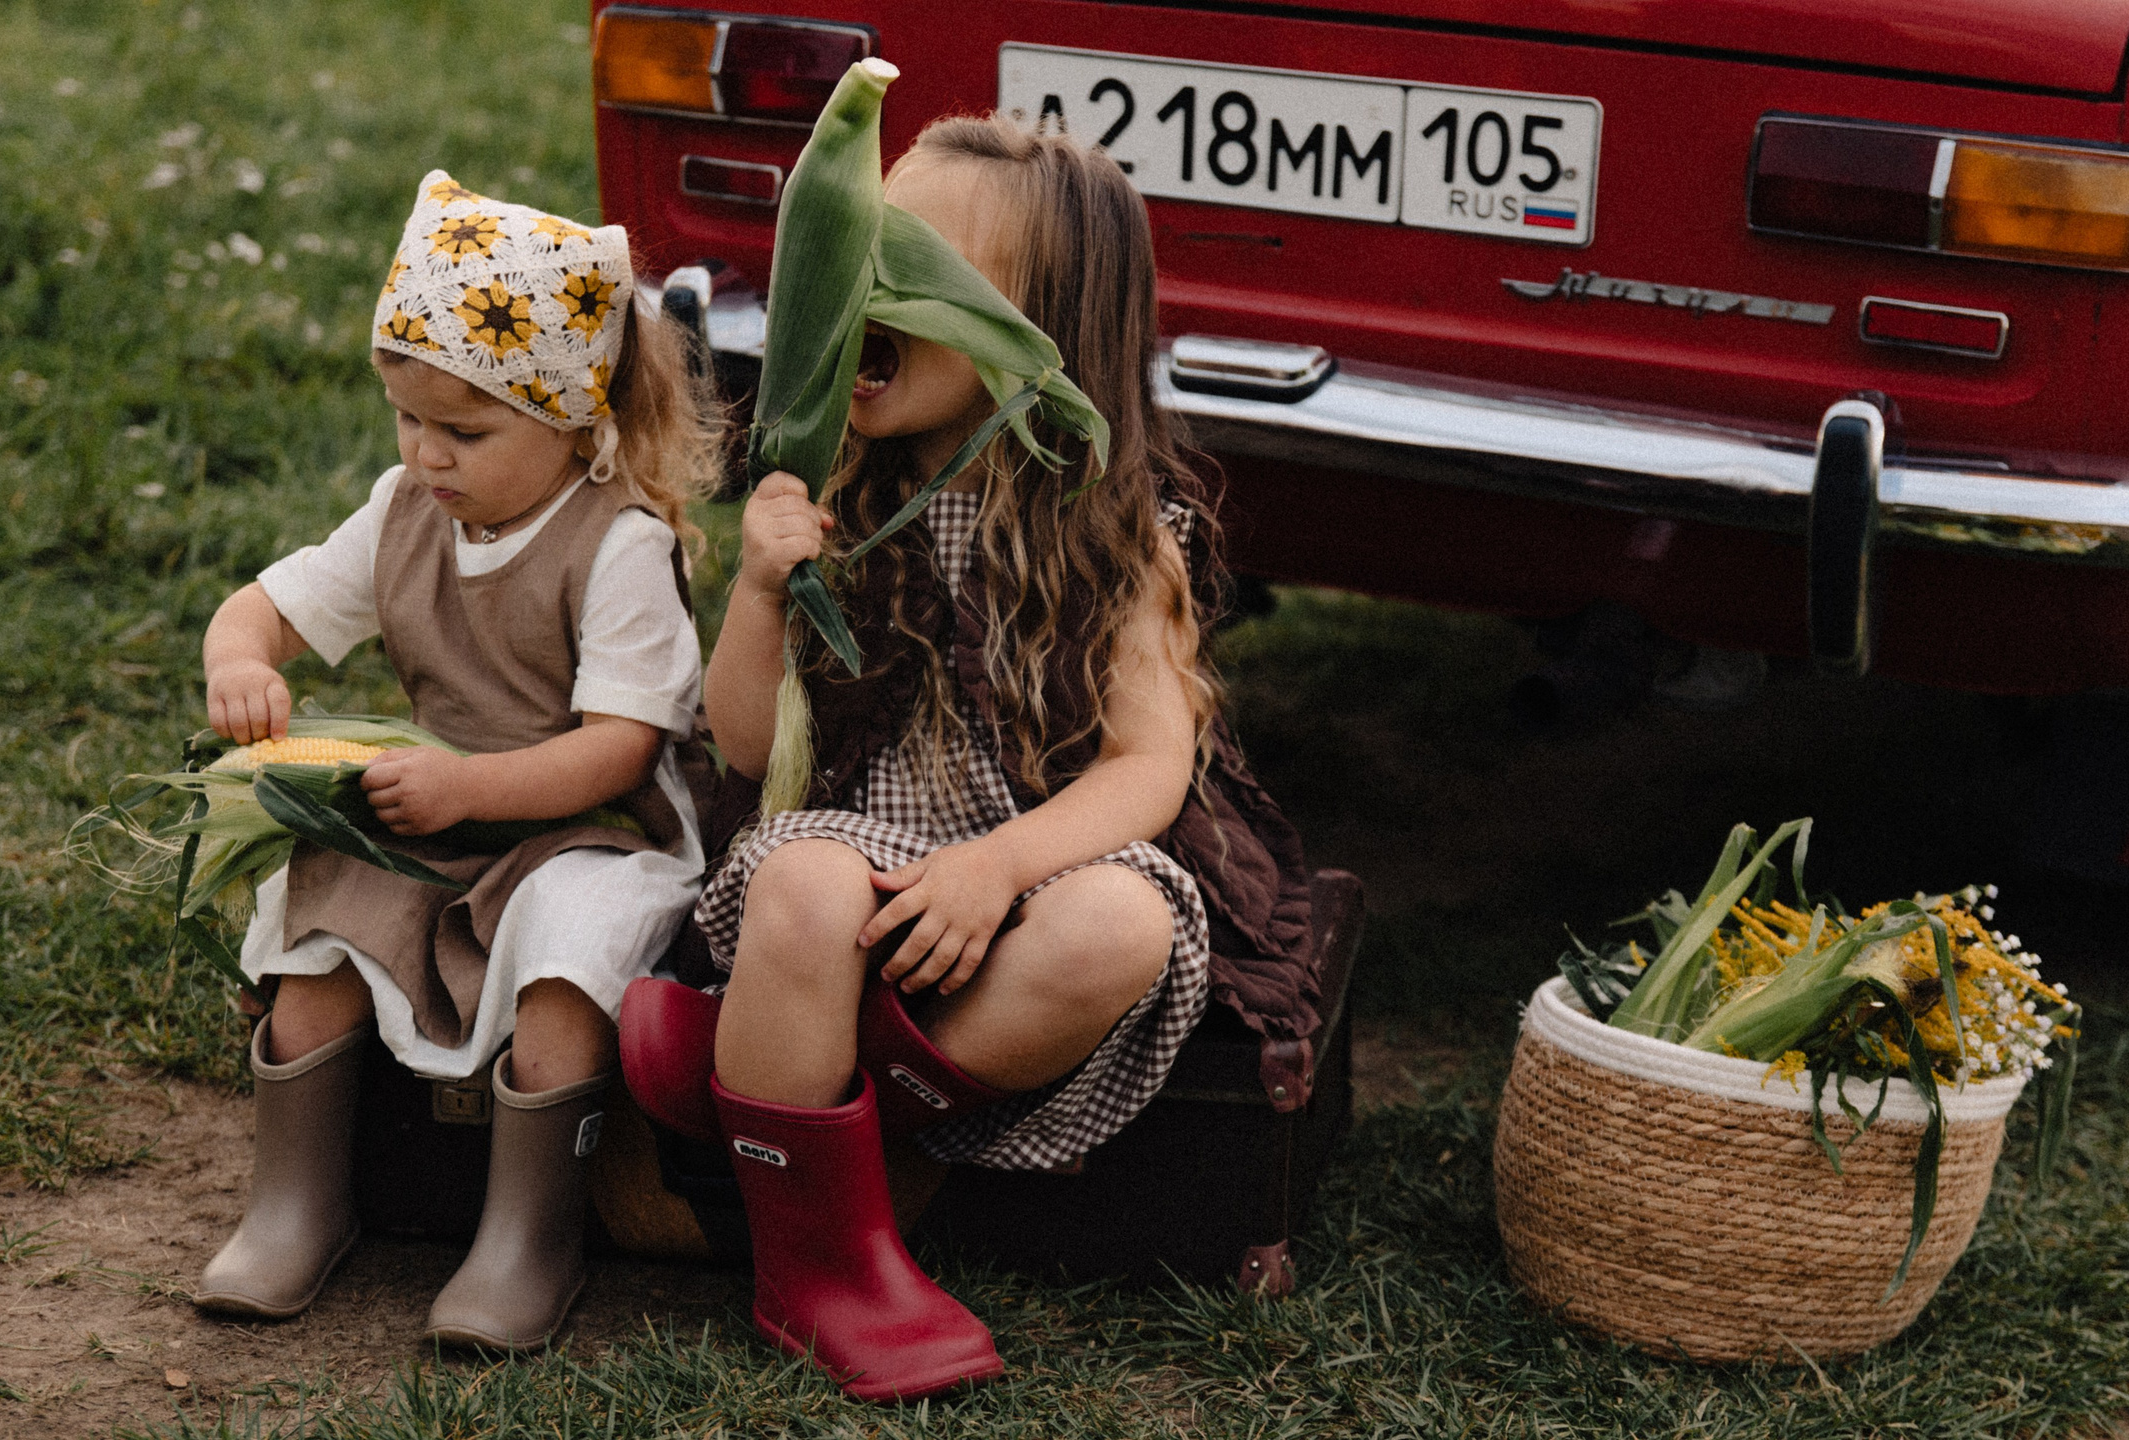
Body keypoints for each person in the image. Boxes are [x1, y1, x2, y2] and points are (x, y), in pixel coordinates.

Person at [618, 117, 1319, 1402]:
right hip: (846, 844)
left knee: (1123, 928)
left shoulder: (1118, 533)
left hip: (1027, 861)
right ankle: (819, 1269)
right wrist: (764, 593)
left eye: (918, 272)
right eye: (859, 256)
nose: (865, 295)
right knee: (805, 889)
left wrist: (1000, 869)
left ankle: (793, 1116)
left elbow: (1145, 770)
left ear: (1030, 332)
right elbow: (742, 741)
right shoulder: (828, 490)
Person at [191, 171, 719, 1350]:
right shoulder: (402, 509)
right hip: (442, 810)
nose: (426, 454)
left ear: (577, 418)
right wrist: (243, 662)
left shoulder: (617, 542)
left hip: (587, 824)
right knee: (319, 917)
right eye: (406, 418)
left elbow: (622, 747)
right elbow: (264, 607)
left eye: (464, 431)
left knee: (562, 961)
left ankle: (528, 1237)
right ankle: (298, 1203)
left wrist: (472, 790)